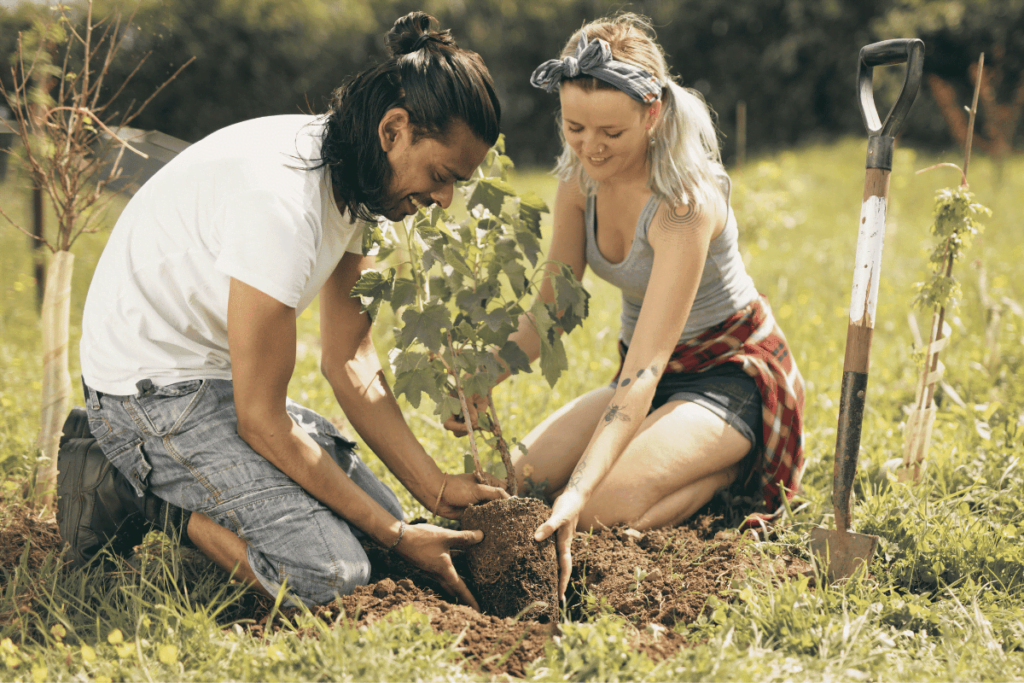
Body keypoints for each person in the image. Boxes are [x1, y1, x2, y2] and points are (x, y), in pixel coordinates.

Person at [57, 11, 509, 610]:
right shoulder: (281, 205)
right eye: (442, 175)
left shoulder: (359, 181)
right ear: (394, 129)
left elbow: (349, 357)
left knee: (381, 534)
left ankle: (179, 487)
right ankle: (137, 492)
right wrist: (398, 536)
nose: (444, 199)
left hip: (216, 379)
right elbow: (262, 422)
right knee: (331, 575)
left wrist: (434, 487)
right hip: (147, 396)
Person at [451, 14, 805, 600]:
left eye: (610, 133)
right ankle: (677, 454)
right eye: (574, 126)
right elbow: (553, 310)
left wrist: (580, 490)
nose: (591, 146)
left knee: (596, 509)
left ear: (653, 113)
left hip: (728, 376)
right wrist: (486, 374)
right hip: (644, 377)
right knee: (516, 483)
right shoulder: (580, 178)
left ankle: (731, 470)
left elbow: (644, 372)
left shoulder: (683, 205)